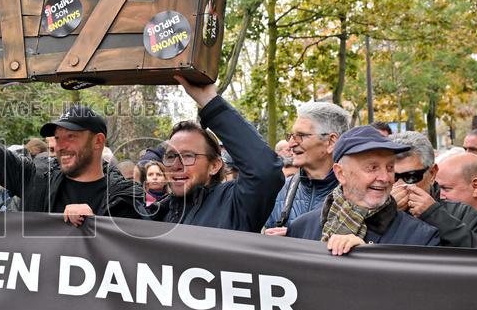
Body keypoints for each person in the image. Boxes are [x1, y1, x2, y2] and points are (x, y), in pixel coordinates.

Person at [0, 83, 146, 226]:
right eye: (57, 137)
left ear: (98, 141)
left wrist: (98, 224)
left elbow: (139, 250)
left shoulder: (124, 196)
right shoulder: (36, 177)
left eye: (71, 137)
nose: (60, 145)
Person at [148, 77, 282, 232]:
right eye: (171, 156)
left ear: (214, 165)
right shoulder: (157, 214)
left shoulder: (234, 205)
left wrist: (210, 101)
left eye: (187, 156)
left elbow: (264, 171)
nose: (177, 166)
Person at [286, 126, 440, 254]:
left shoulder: (421, 237)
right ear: (341, 173)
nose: (385, 178)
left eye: (390, 168)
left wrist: (367, 258)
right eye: (372, 168)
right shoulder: (301, 228)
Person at [264, 103, 349, 235]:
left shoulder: (358, 194)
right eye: (291, 136)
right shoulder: (280, 190)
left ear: (331, 141)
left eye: (301, 135)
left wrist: (298, 235)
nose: (291, 144)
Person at [389, 131, 477, 247]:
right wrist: (385, 213)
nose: (400, 185)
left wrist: (434, 214)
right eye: (392, 177)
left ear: (432, 173)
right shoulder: (370, 209)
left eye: (411, 176)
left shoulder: (464, 214)